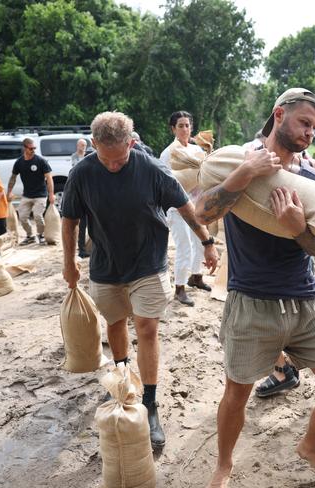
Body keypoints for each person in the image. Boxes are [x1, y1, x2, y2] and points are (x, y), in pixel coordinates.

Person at [195, 88, 315, 488]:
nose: (310, 133)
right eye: (304, 123)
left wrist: (299, 228)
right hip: (251, 301)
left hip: (306, 304)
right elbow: (203, 211)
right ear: (279, 114)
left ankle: (311, 447)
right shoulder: (238, 160)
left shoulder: (313, 180)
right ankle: (224, 464)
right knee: (237, 395)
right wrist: (246, 173)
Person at [61, 111, 218, 450]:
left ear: (131, 144)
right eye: (106, 159)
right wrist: (69, 262)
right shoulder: (83, 173)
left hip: (149, 264)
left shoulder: (151, 168)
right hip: (106, 266)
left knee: (147, 328)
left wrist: (206, 242)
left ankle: (150, 403)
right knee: (115, 323)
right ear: (93, 146)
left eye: (120, 158)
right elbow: (70, 218)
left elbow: (184, 205)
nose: (114, 165)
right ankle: (121, 379)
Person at [159, 111, 212, 306]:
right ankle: (179, 288)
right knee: (185, 247)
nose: (185, 129)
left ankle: (196, 277)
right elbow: (165, 182)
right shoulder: (168, 153)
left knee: (200, 242)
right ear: (173, 128)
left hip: (197, 203)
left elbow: (204, 174)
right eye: (180, 125)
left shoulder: (197, 150)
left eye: (187, 125)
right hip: (177, 207)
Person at [7, 138, 55, 245]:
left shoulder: (40, 161)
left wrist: (51, 194)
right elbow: (13, 177)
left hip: (41, 194)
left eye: (34, 148)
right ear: (24, 148)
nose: (33, 150)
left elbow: (49, 178)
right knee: (22, 217)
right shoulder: (19, 162)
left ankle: (41, 235)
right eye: (31, 148)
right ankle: (30, 236)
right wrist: (9, 191)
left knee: (38, 216)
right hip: (27, 195)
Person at [70, 139, 89, 258]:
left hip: (89, 191)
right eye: (82, 145)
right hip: (80, 193)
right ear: (77, 145)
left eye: (85, 145)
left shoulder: (89, 156)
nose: (83, 147)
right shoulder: (75, 157)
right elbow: (76, 169)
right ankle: (81, 249)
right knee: (81, 224)